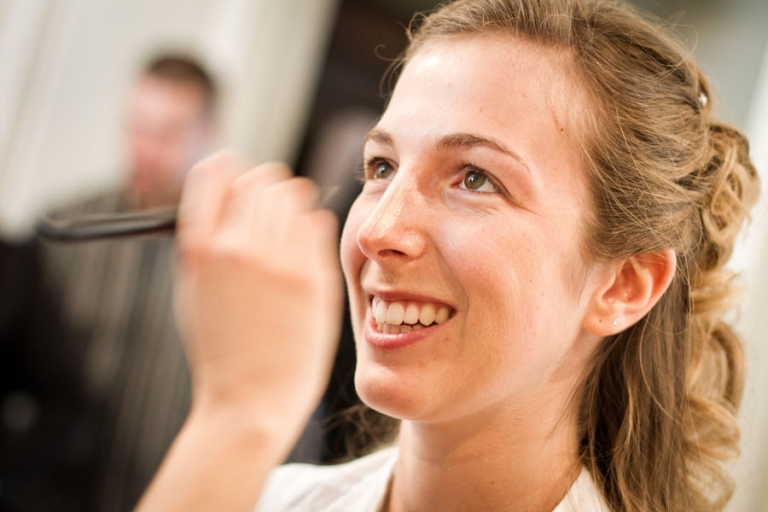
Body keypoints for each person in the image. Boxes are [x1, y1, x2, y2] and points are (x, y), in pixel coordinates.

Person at [137, 0, 761, 511]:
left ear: (623, 285)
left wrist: (239, 414)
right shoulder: (269, 500)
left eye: (475, 178)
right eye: (382, 167)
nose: (378, 230)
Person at [42, 54, 217, 511]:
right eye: (137, 127)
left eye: (167, 133)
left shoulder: (232, 256)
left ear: (207, 135)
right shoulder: (66, 230)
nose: (145, 149)